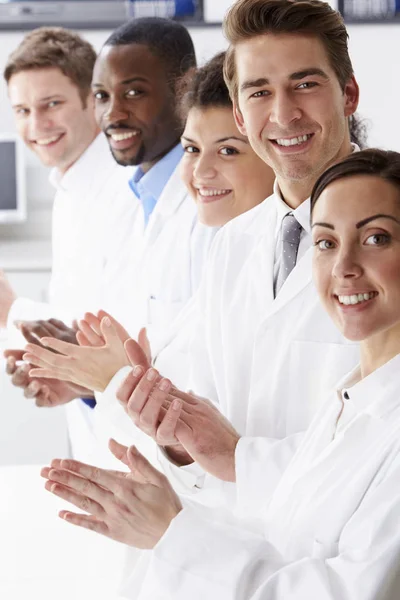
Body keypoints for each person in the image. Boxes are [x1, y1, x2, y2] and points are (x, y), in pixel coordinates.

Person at [41, 148, 400, 600]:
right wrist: (219, 454)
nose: (344, 268)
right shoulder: (349, 399)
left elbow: (348, 591)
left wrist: (174, 533)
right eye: (326, 242)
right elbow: (294, 510)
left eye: (376, 239)